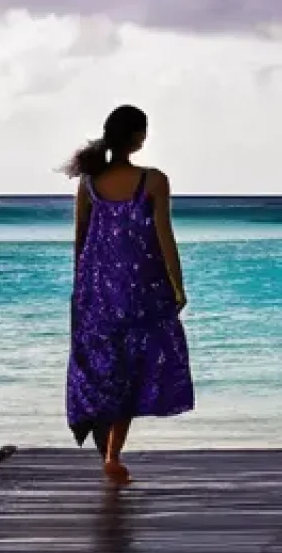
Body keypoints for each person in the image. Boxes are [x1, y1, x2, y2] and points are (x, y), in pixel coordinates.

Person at [63, 104, 194, 485]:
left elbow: (81, 240)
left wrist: (80, 287)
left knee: (104, 368)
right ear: (138, 137)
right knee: (134, 370)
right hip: (141, 292)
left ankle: (105, 442)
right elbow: (164, 237)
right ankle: (111, 454)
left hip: (97, 291)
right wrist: (178, 284)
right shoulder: (153, 181)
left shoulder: (89, 183)